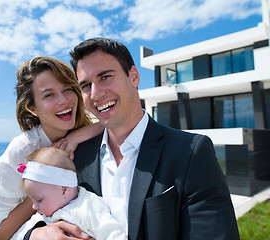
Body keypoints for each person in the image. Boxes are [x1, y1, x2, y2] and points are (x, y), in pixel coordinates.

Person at [26, 38, 240, 240]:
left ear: (134, 76)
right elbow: (36, 212)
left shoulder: (191, 153)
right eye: (86, 86)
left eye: (105, 77)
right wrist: (37, 233)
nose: (96, 93)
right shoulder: (75, 158)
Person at [0, 56, 103, 240]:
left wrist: (74, 138)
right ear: (32, 108)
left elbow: (114, 122)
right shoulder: (21, 151)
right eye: (49, 95)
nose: (63, 100)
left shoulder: (89, 131)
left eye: (67, 89)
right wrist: (44, 181)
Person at [19, 147, 127, 240]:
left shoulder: (88, 206)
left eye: (39, 200)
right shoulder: (41, 217)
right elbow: (20, 235)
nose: (34, 206)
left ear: (64, 190)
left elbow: (112, 233)